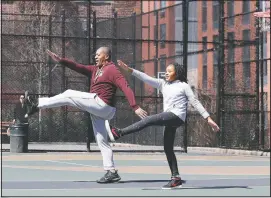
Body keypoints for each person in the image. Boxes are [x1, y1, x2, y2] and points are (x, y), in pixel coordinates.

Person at [24, 47, 148, 183]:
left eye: (98, 55)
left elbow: (125, 87)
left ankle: (36, 104)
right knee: (102, 141)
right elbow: (78, 67)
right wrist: (61, 60)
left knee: (69, 93)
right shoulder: (96, 70)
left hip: (103, 105)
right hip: (99, 110)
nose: (95, 57)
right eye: (95, 55)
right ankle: (111, 172)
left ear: (106, 57)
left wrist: (134, 106)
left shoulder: (112, 70)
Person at [107, 60, 220, 189]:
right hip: (170, 117)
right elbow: (146, 78)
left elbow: (195, 101)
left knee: (148, 120)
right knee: (167, 148)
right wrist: (131, 70)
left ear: (177, 73)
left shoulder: (183, 86)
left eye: (169, 71)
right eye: (166, 71)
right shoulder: (163, 84)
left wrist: (208, 118)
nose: (166, 73)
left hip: (176, 116)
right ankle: (176, 178)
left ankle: (119, 133)